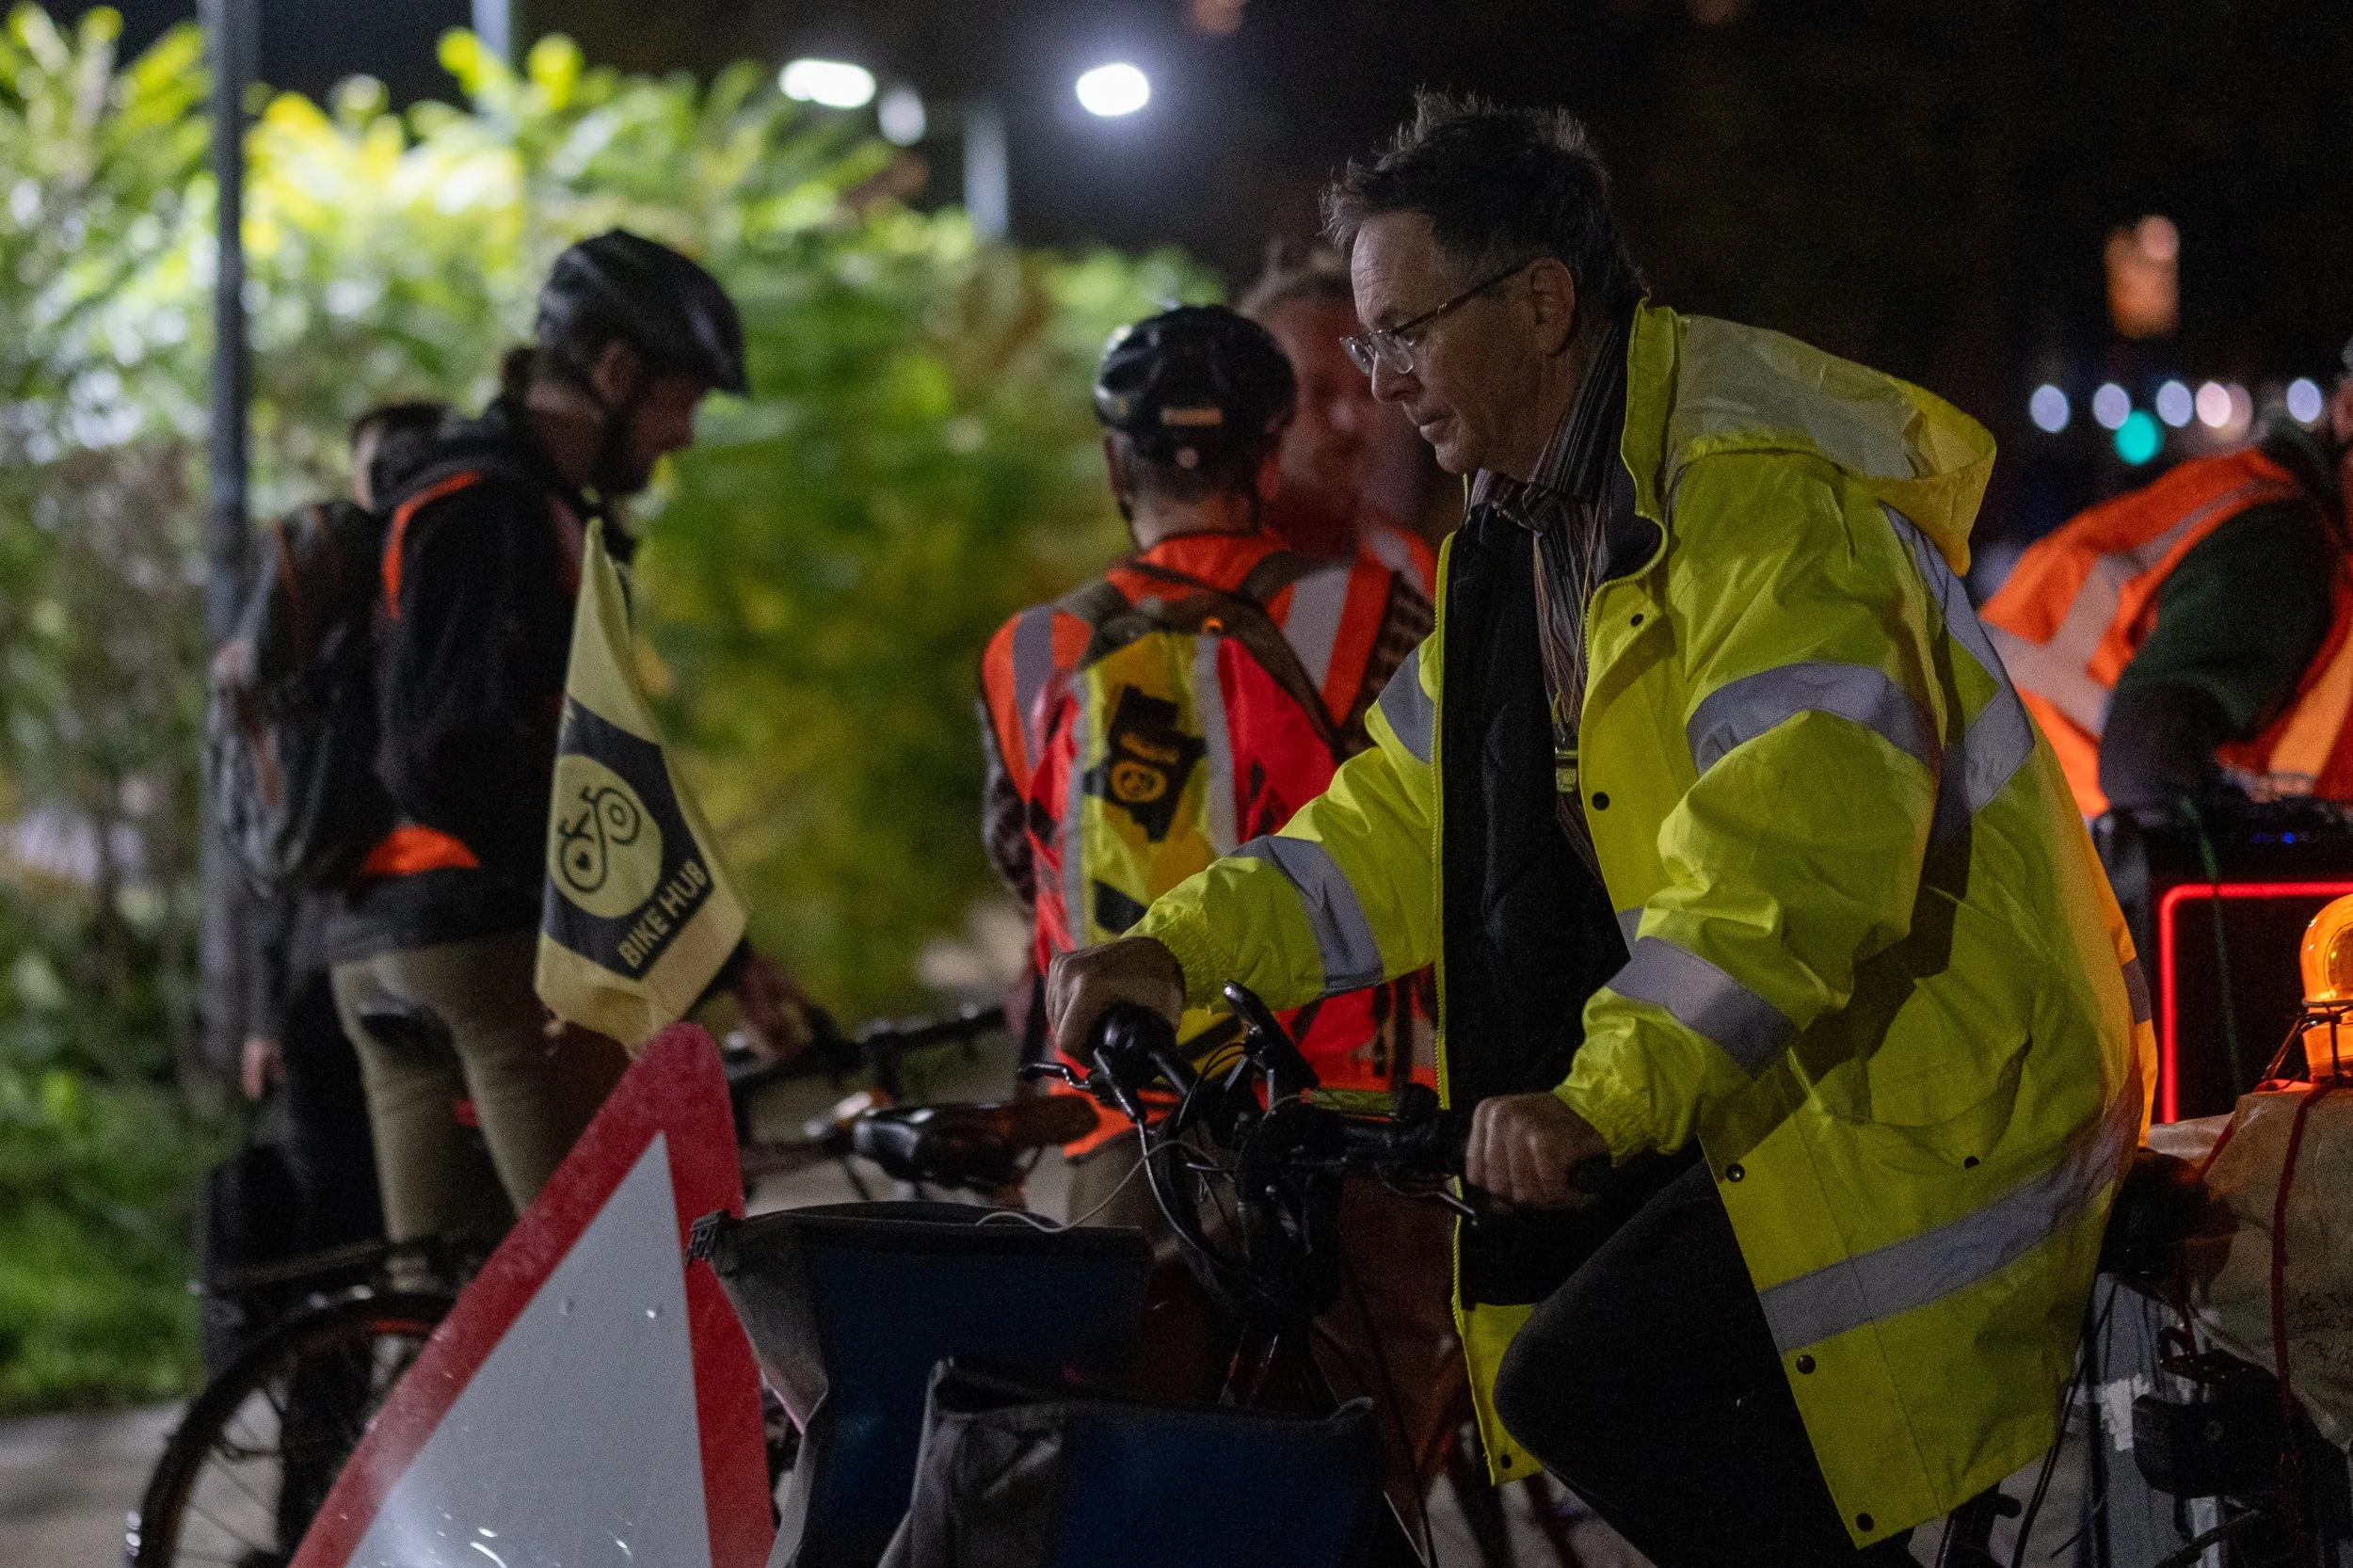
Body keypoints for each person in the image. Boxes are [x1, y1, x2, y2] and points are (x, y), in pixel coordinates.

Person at [1042, 94, 2152, 1566]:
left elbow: (1787, 865)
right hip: (1776, 1086)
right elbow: (1394, 824)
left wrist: (1599, 1095)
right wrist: (1169, 954)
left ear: (1544, 302)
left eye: (1405, 334)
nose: (1379, 387)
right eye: (1367, 344)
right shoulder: (1522, 540)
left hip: (1930, 1113)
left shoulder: (1759, 513)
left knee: (1589, 1375)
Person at [325, 231, 795, 1250]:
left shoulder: (445, 494)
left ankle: (395, 1396)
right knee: (617, 1275)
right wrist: (620, 905)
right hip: (488, 948)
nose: (684, 435)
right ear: (615, 371)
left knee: (441, 1309)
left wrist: (729, 955)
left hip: (373, 943)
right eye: (684, 398)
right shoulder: (496, 510)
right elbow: (456, 751)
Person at [232, 402, 452, 1256]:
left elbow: (273, 829)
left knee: (358, 1193)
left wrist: (266, 1009)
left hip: (343, 946)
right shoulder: (399, 593)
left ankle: (364, 1370)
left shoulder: (328, 604)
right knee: (358, 1198)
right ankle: (366, 1372)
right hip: (384, 935)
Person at [1983, 344, 2353, 818]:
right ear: (2345, 412)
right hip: (2027, 827)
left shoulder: (2273, 509)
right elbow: (2149, 763)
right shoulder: (2281, 547)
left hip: (2006, 805)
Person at [1239, 245, 1438, 590]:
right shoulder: (1207, 568)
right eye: (1319, 391)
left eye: (1367, 390)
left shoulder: (1406, 567)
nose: (1349, 420)